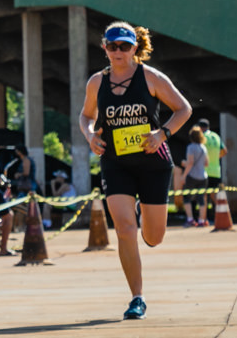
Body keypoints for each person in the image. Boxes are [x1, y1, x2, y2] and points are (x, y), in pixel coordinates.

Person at [79, 21, 192, 320]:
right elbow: (86, 116)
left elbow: (184, 109)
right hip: (115, 163)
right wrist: (90, 136)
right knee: (125, 229)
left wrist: (162, 134)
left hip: (153, 163)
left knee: (154, 237)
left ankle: (144, 211)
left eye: (124, 46)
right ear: (104, 48)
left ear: (134, 48)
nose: (118, 51)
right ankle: (137, 298)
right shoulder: (96, 82)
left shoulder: (150, 77)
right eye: (112, 46)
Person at [180, 126, 210, 227]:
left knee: (187, 197)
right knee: (201, 199)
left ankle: (190, 219)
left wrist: (184, 175)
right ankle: (201, 220)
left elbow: (190, 163)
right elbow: (206, 163)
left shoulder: (191, 147)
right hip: (203, 176)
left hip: (192, 176)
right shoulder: (203, 148)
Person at [199, 117, 227, 197]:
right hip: (216, 171)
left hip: (204, 170)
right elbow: (224, 151)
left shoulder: (202, 137)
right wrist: (215, 157)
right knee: (215, 195)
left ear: (200, 128)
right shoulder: (216, 136)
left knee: (203, 195)